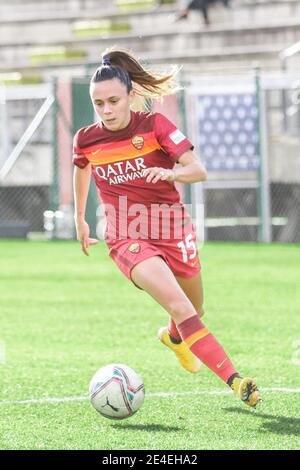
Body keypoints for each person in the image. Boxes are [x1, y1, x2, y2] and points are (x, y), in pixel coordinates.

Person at [72, 46, 261, 408]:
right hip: (127, 236)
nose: (107, 110)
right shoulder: (87, 138)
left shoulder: (155, 127)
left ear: (131, 96)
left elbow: (198, 170)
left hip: (172, 229)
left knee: (194, 310)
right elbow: (81, 166)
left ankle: (176, 339)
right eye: (99, 104)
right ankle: (237, 382)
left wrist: (171, 172)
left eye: (113, 100)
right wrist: (80, 218)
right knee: (179, 305)